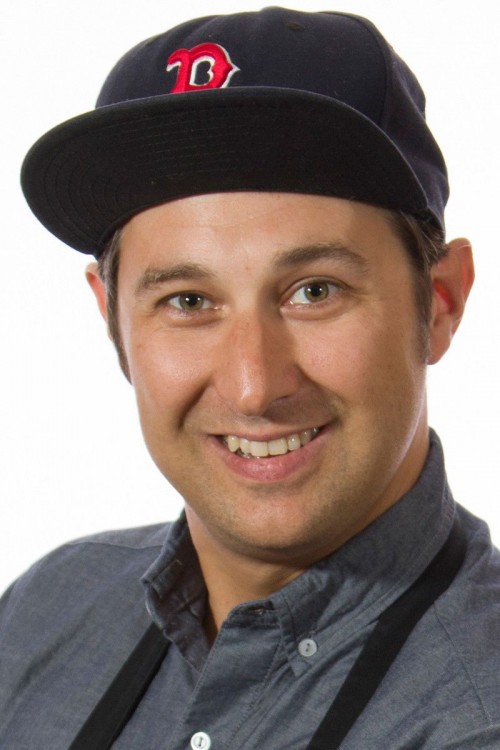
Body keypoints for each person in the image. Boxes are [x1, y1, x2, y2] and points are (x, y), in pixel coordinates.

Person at [1, 6, 499, 749]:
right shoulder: (45, 613)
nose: (253, 387)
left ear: (442, 303)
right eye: (188, 301)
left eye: (315, 291)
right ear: (112, 319)